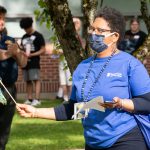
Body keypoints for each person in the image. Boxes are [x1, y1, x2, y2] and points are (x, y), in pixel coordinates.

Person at [17, 7, 150, 150]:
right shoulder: (83, 67)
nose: (93, 34)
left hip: (126, 139)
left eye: (100, 30)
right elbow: (75, 110)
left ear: (115, 36)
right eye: (92, 29)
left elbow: (147, 102)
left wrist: (122, 103)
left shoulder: (130, 64)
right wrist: (35, 112)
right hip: (93, 142)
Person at [0, 5, 27, 150]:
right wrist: (12, 52)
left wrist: (16, 53)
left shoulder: (9, 39)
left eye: (3, 19)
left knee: (4, 129)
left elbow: (23, 62)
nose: (2, 22)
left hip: (9, 89)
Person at [19, 17, 46, 106]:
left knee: (36, 79)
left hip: (34, 61)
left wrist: (33, 54)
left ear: (31, 26)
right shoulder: (24, 37)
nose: (25, 30)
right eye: (24, 29)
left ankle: (37, 99)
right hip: (25, 62)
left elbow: (43, 50)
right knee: (27, 80)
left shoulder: (38, 35)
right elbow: (22, 48)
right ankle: (30, 99)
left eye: (27, 28)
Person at [56, 17, 82, 102]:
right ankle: (65, 97)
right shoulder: (62, 35)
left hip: (70, 60)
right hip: (62, 60)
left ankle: (71, 97)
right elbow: (56, 49)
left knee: (70, 79)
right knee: (63, 79)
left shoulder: (75, 36)